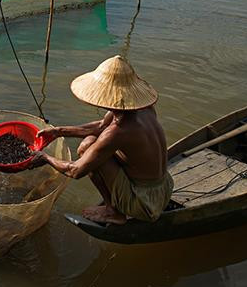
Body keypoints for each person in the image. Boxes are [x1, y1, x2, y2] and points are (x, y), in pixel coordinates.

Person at [31, 55, 172, 225]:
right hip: (164, 189)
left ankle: (113, 212)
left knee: (87, 150)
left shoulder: (119, 131)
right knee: (90, 143)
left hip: (144, 203)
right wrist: (58, 132)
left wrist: (45, 158)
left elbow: (75, 171)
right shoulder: (143, 109)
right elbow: (101, 126)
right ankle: (114, 206)